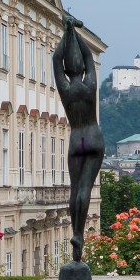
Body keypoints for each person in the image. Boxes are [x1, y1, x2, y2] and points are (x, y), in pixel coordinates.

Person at [53, 16, 104, 263]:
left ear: (67, 69)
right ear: (82, 69)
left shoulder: (65, 89)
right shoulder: (90, 85)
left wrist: (66, 32)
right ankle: (80, 236)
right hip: (93, 137)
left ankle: (76, 232)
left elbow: (55, 59)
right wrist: (77, 32)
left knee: (75, 190)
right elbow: (88, 57)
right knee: (86, 188)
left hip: (76, 139)